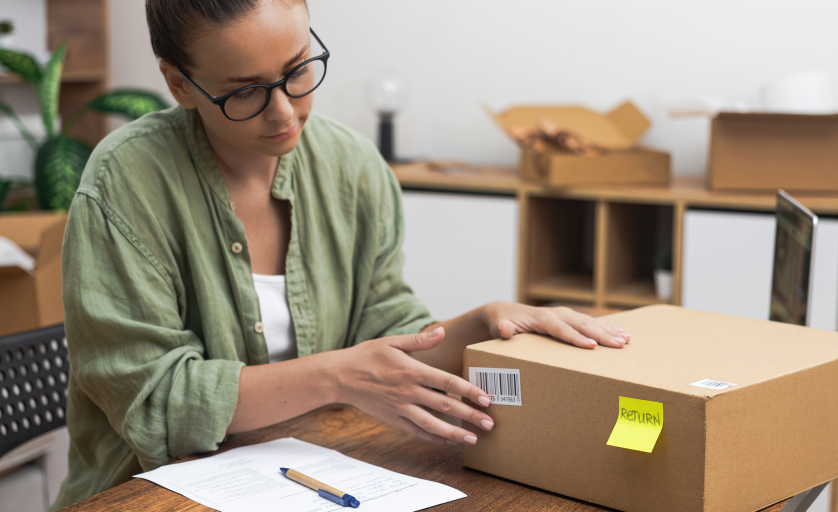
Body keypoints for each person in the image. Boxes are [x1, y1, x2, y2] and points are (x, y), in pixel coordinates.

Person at [52, 0, 630, 507]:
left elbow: (387, 335)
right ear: (179, 84)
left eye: (298, 69)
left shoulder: (351, 167)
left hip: (311, 474)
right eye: (244, 91)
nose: (283, 111)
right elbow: (158, 403)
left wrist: (479, 325)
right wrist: (335, 376)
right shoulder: (124, 185)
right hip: (147, 493)